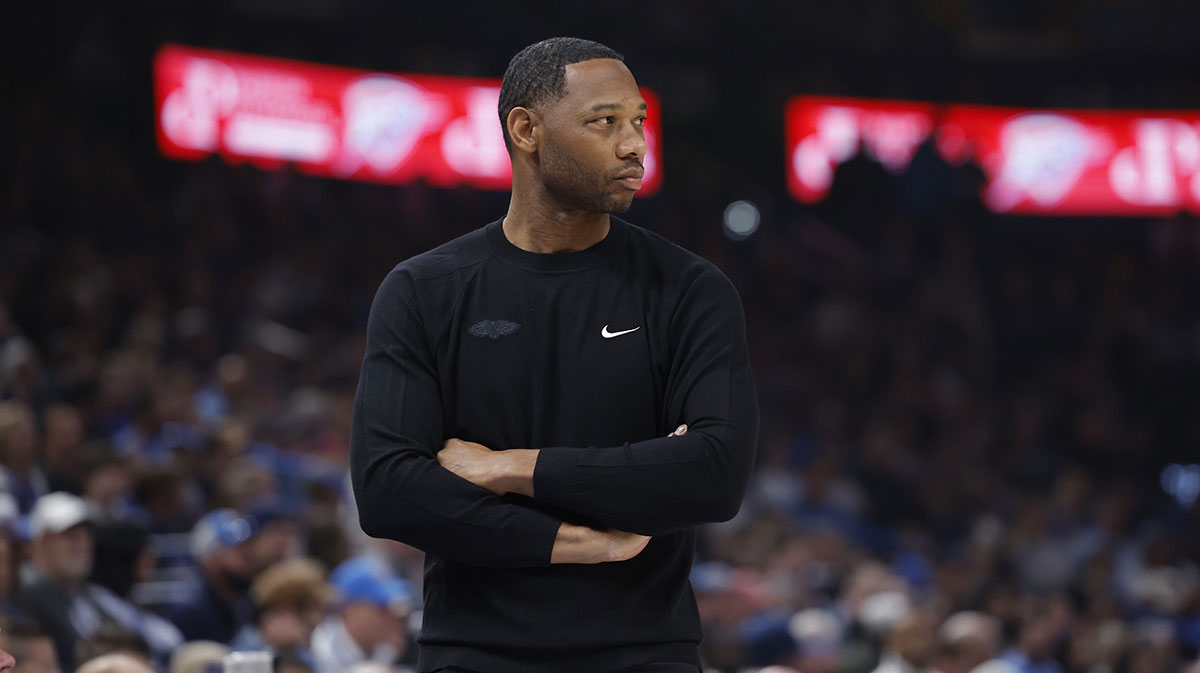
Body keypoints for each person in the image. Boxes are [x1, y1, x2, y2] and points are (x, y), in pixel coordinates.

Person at [350, 37, 758, 673]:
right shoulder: (425, 289)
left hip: (644, 655)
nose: (634, 146)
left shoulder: (690, 289)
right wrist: (576, 544)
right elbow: (387, 492)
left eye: (638, 122)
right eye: (605, 123)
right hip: (473, 654)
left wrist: (508, 468)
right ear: (526, 129)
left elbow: (714, 475)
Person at [11, 492, 181, 670]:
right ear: (41, 543)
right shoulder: (28, 597)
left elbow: (162, 638)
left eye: (84, 535)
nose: (80, 544)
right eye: (69, 536)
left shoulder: (92, 594)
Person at [165, 509, 263, 644]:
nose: (249, 558)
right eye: (238, 550)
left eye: (249, 548)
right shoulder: (190, 614)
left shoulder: (248, 603)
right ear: (209, 559)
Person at [310, 556, 412, 673]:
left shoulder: (387, 647)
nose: (392, 616)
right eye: (381, 608)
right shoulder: (320, 651)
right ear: (349, 610)